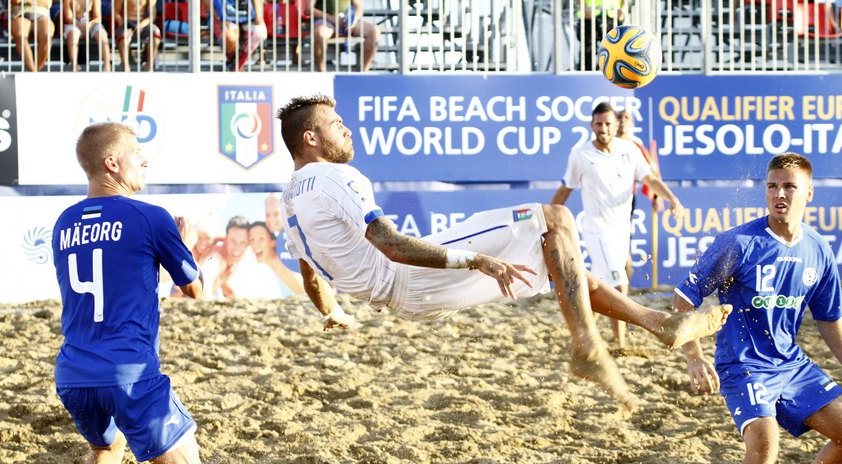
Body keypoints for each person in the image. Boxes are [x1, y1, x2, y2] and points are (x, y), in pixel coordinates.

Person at [276, 94, 732, 412]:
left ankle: (659, 325)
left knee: (560, 254)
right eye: (335, 124)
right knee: (555, 219)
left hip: (405, 299)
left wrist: (331, 311)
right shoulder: (338, 177)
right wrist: (475, 259)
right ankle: (589, 346)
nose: (346, 128)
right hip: (413, 278)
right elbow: (392, 245)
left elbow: (309, 271)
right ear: (311, 139)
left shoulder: (290, 198)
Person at [51, 122, 208, 464]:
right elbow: (195, 290)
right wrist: (184, 246)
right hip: (130, 374)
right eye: (137, 153)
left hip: (75, 374)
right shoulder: (148, 216)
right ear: (111, 163)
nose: (146, 160)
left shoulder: (64, 223)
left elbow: (117, 284)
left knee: (105, 447)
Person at [672, 152, 842, 464]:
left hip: (791, 364)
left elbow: (830, 321)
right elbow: (681, 303)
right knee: (765, 444)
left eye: (789, 187)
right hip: (742, 365)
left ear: (808, 194)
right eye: (772, 186)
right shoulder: (738, 243)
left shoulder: (818, 249)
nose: (779, 194)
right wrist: (695, 357)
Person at [552, 102, 684, 349]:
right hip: (596, 230)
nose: (603, 129)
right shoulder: (581, 154)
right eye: (598, 124)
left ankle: (582, 338)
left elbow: (650, 179)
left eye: (607, 124)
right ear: (591, 125)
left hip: (621, 229)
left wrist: (672, 199)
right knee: (619, 281)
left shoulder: (629, 149)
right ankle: (620, 345)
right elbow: (564, 190)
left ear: (616, 126)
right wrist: (549, 220)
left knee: (601, 287)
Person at [615, 108, 662, 282]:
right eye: (619, 117)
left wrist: (656, 197)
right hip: (601, 199)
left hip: (625, 199)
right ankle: (621, 275)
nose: (622, 121)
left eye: (626, 117)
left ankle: (624, 275)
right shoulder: (604, 142)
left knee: (622, 244)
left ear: (632, 123)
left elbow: (652, 173)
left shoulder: (635, 144)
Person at [213, 215, 283, 299]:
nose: (236, 248)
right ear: (226, 239)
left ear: (248, 243)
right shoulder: (215, 257)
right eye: (233, 241)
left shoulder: (258, 269)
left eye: (242, 242)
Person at [311, 0, 377, 72]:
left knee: (374, 31)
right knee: (320, 33)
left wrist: (353, 21)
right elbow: (308, 9)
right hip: (325, 21)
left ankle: (364, 70)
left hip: (347, 20)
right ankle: (321, 70)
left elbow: (358, 7)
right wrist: (331, 18)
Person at [249, 220, 304, 296]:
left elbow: (305, 295)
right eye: (252, 239)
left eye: (261, 239)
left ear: (273, 242)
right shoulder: (275, 266)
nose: (255, 244)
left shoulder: (281, 265)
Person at [212, 0, 268, 71]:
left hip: (247, 15)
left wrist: (258, 14)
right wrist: (220, 19)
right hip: (224, 16)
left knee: (260, 32)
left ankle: (236, 66)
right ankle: (235, 65)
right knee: (230, 37)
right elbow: (210, 6)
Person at [61, 0, 112, 71]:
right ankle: (74, 64)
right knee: (73, 34)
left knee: (102, 34)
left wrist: (89, 25)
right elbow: (68, 17)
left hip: (91, 23)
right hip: (74, 22)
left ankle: (107, 66)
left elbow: (98, 18)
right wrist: (81, 25)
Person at [576, 0, 624, 71]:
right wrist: (583, 8)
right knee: (587, 50)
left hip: (613, 16)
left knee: (614, 50)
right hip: (589, 15)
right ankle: (586, 76)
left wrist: (623, 10)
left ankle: (614, 73)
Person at [114, 0, 161, 71]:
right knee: (124, 35)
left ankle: (149, 66)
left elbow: (152, 16)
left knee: (156, 31)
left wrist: (141, 25)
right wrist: (123, 23)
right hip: (127, 23)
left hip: (143, 23)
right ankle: (126, 67)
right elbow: (115, 12)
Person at [10, 0, 55, 71]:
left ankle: (35, 71)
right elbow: (15, 1)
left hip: (42, 14)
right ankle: (33, 72)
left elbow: (47, 3)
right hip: (20, 14)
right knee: (20, 35)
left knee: (47, 38)